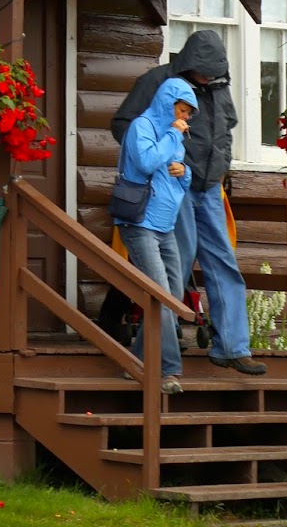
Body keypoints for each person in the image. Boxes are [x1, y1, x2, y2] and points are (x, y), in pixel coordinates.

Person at [112, 28, 267, 375]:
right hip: (171, 187)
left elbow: (226, 130)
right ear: (189, 64)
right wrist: (152, 161)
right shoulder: (156, 82)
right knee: (175, 269)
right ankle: (151, 356)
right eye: (204, 71)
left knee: (223, 262)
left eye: (214, 72)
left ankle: (232, 347)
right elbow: (125, 125)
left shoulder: (220, 88)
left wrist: (222, 162)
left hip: (210, 188)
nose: (209, 77)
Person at [114, 76, 197, 394]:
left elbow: (177, 180)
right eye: (183, 109)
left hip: (166, 225)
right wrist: (174, 133)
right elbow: (147, 162)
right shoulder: (142, 127)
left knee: (172, 297)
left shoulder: (174, 134)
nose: (186, 117)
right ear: (168, 103)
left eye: (189, 112)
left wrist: (185, 172)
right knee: (161, 295)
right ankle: (170, 371)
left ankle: (135, 361)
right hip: (139, 224)